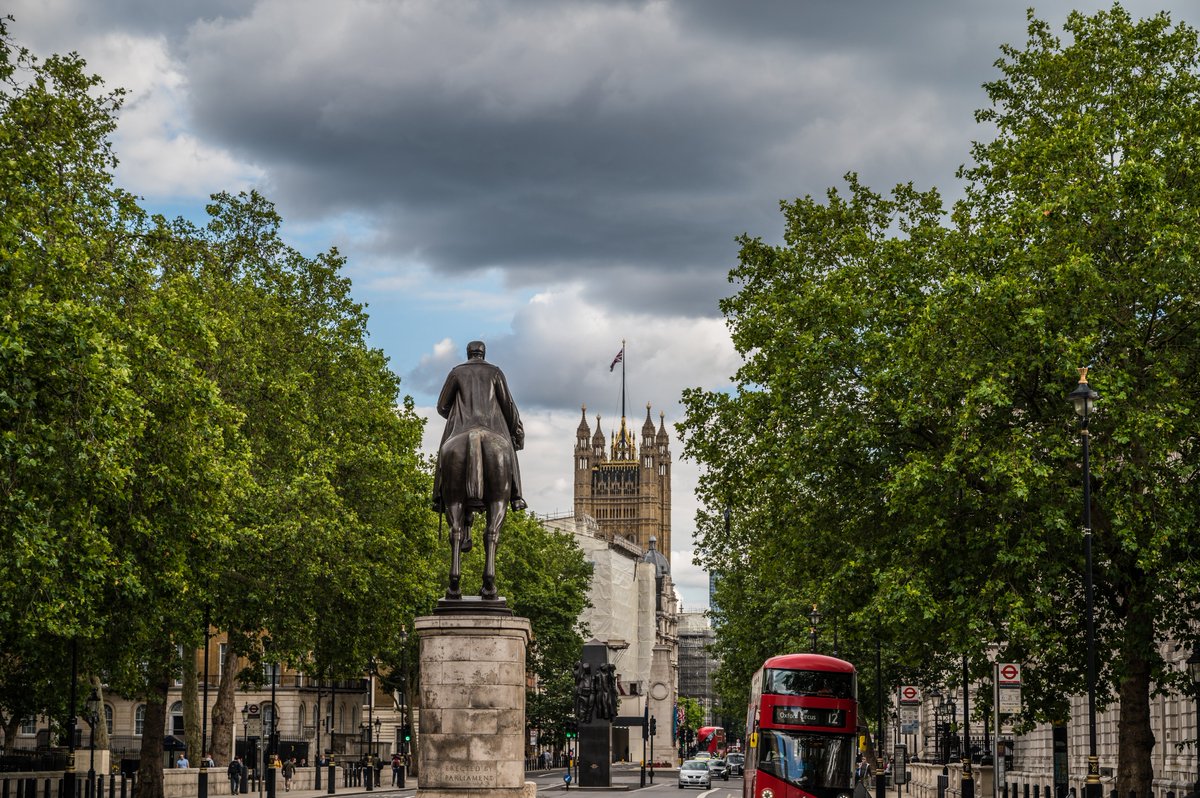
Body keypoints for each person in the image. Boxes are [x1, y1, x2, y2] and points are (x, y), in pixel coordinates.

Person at [431, 340, 525, 515]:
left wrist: (458, 418)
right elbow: (508, 405)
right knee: (508, 452)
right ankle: (516, 496)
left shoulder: (456, 372)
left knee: (444, 452)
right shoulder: (495, 372)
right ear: (483, 354)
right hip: (492, 426)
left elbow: (442, 406)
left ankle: (438, 496)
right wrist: (517, 430)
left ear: (468, 353)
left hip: (461, 427)